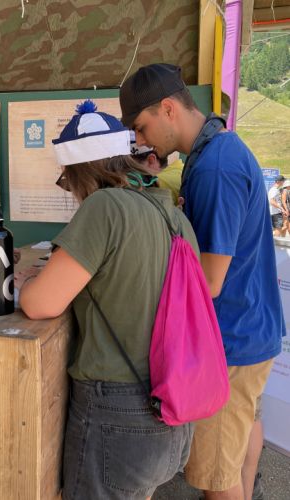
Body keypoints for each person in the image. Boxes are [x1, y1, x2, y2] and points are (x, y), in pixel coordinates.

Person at [120, 63, 284, 500]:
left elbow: (209, 281)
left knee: (216, 476)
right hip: (250, 332)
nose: (141, 140)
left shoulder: (214, 168)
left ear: (168, 108)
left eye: (141, 126)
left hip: (229, 341)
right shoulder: (219, 149)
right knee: (236, 450)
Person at [18, 100, 198, 500]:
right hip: (171, 411)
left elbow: (40, 304)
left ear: (81, 173)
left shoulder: (104, 207)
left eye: (67, 182)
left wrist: (28, 281)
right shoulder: (172, 214)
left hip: (119, 413)